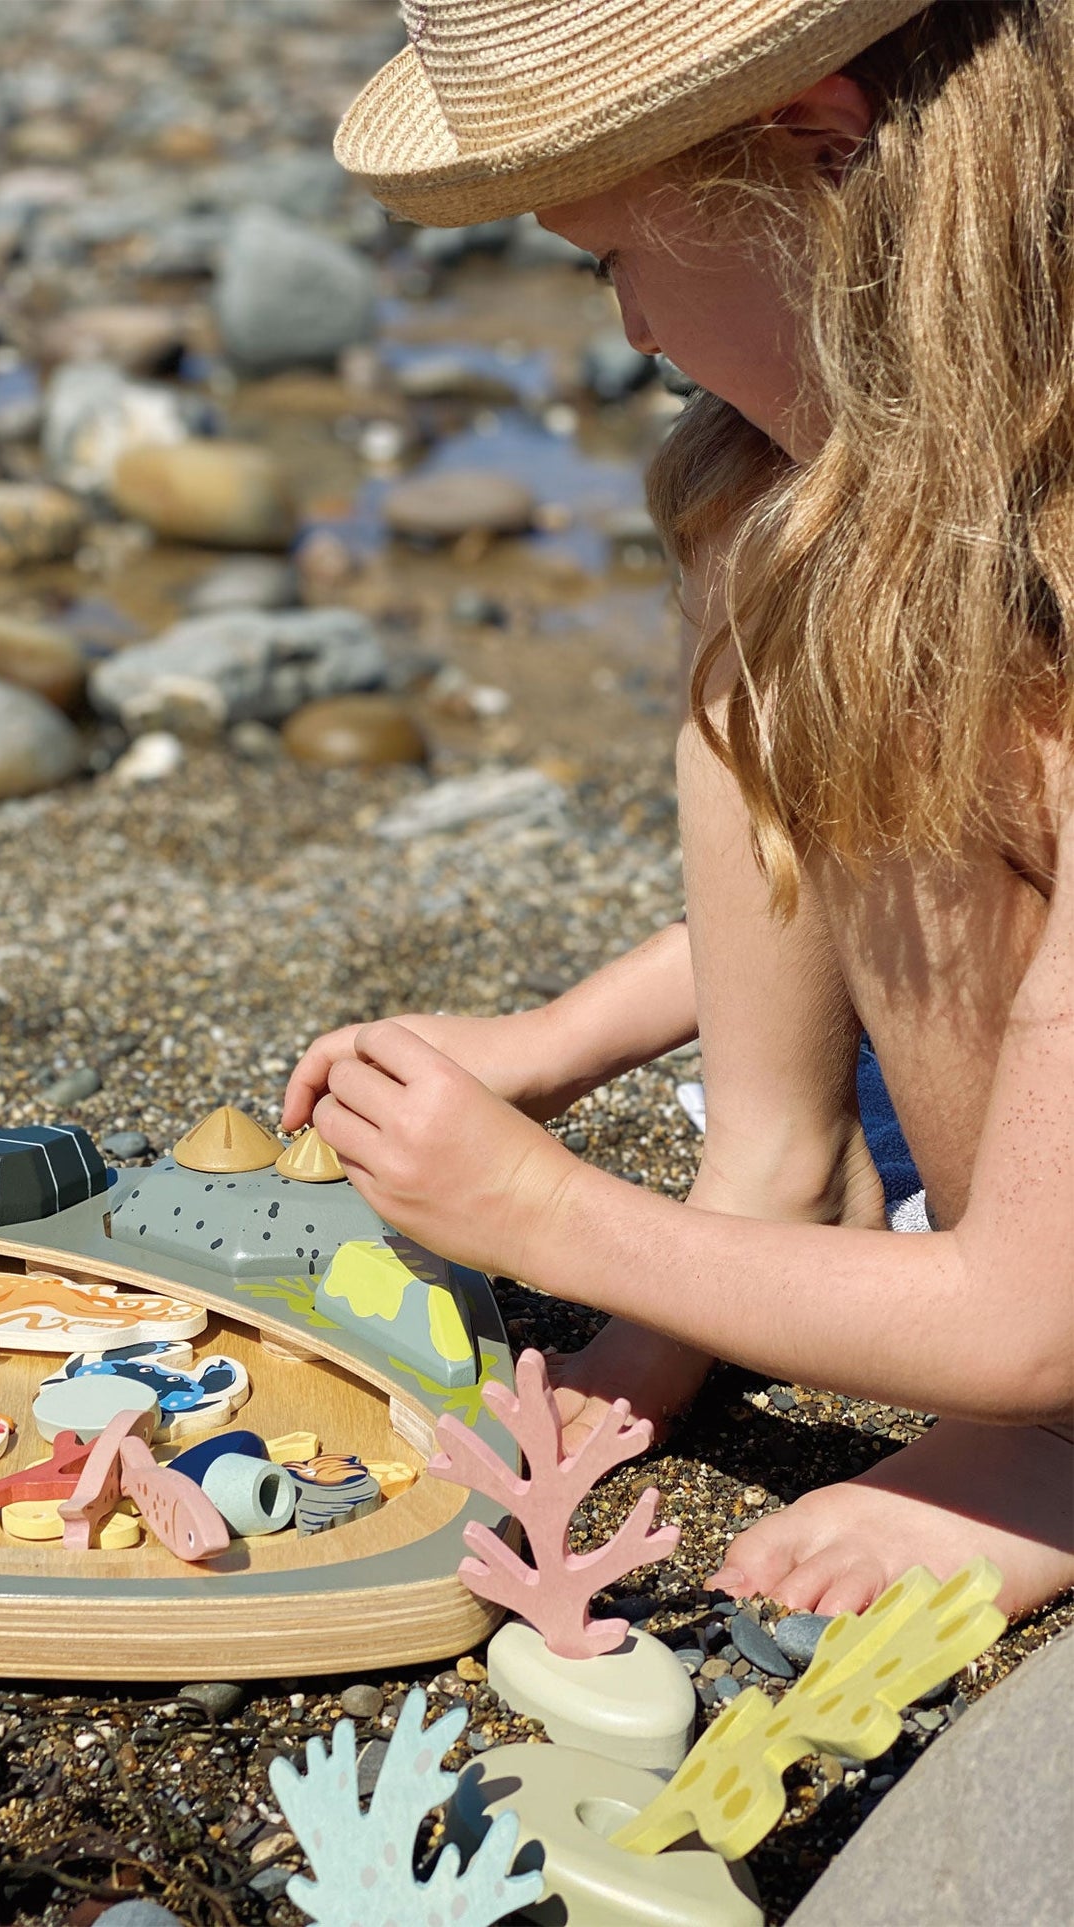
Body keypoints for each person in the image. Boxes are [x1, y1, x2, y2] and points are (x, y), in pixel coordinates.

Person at [283, 0, 1074, 1618]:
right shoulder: (950, 479)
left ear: (815, 138)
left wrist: (542, 1215)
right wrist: (570, 1032)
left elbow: (1032, 1309)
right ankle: (772, 1185)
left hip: (1040, 1314)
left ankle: (1048, 1446)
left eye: (609, 261)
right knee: (786, 533)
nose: (630, 330)